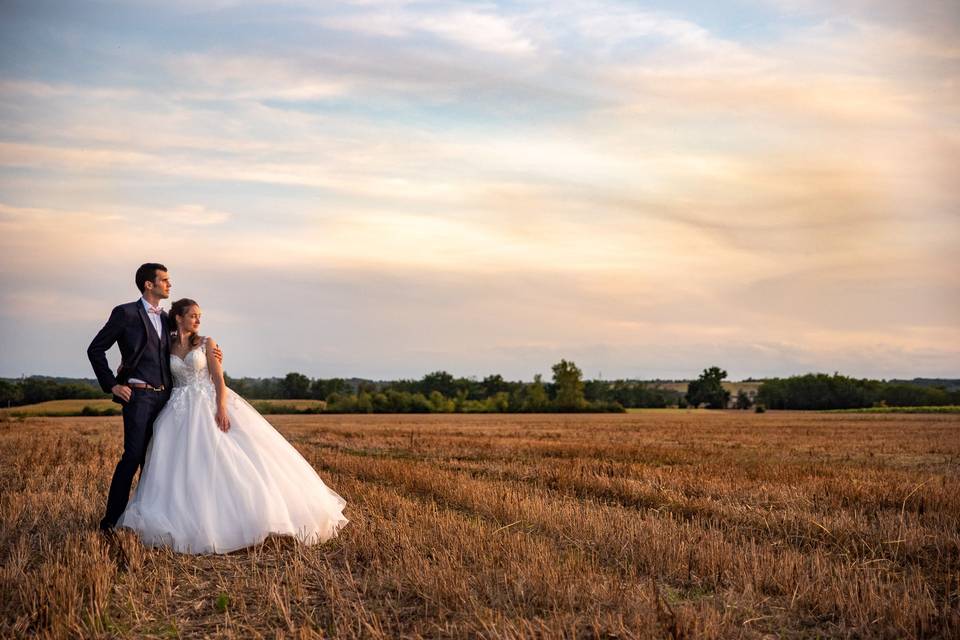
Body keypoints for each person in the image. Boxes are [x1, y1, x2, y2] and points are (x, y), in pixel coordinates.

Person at [116, 298, 348, 553]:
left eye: (199, 316)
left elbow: (218, 378)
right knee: (184, 464)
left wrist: (222, 408)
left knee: (227, 458)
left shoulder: (207, 343)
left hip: (208, 403)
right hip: (178, 408)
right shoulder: (166, 347)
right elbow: (148, 365)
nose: (198, 320)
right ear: (179, 318)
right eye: (193, 315)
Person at [87, 263, 222, 533]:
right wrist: (112, 385)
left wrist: (212, 354)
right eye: (165, 280)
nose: (169, 284)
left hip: (169, 400)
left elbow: (186, 342)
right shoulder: (125, 313)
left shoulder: (166, 319)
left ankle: (155, 519)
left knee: (159, 460)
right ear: (149, 284)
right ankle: (110, 522)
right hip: (138, 397)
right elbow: (95, 349)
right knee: (133, 456)